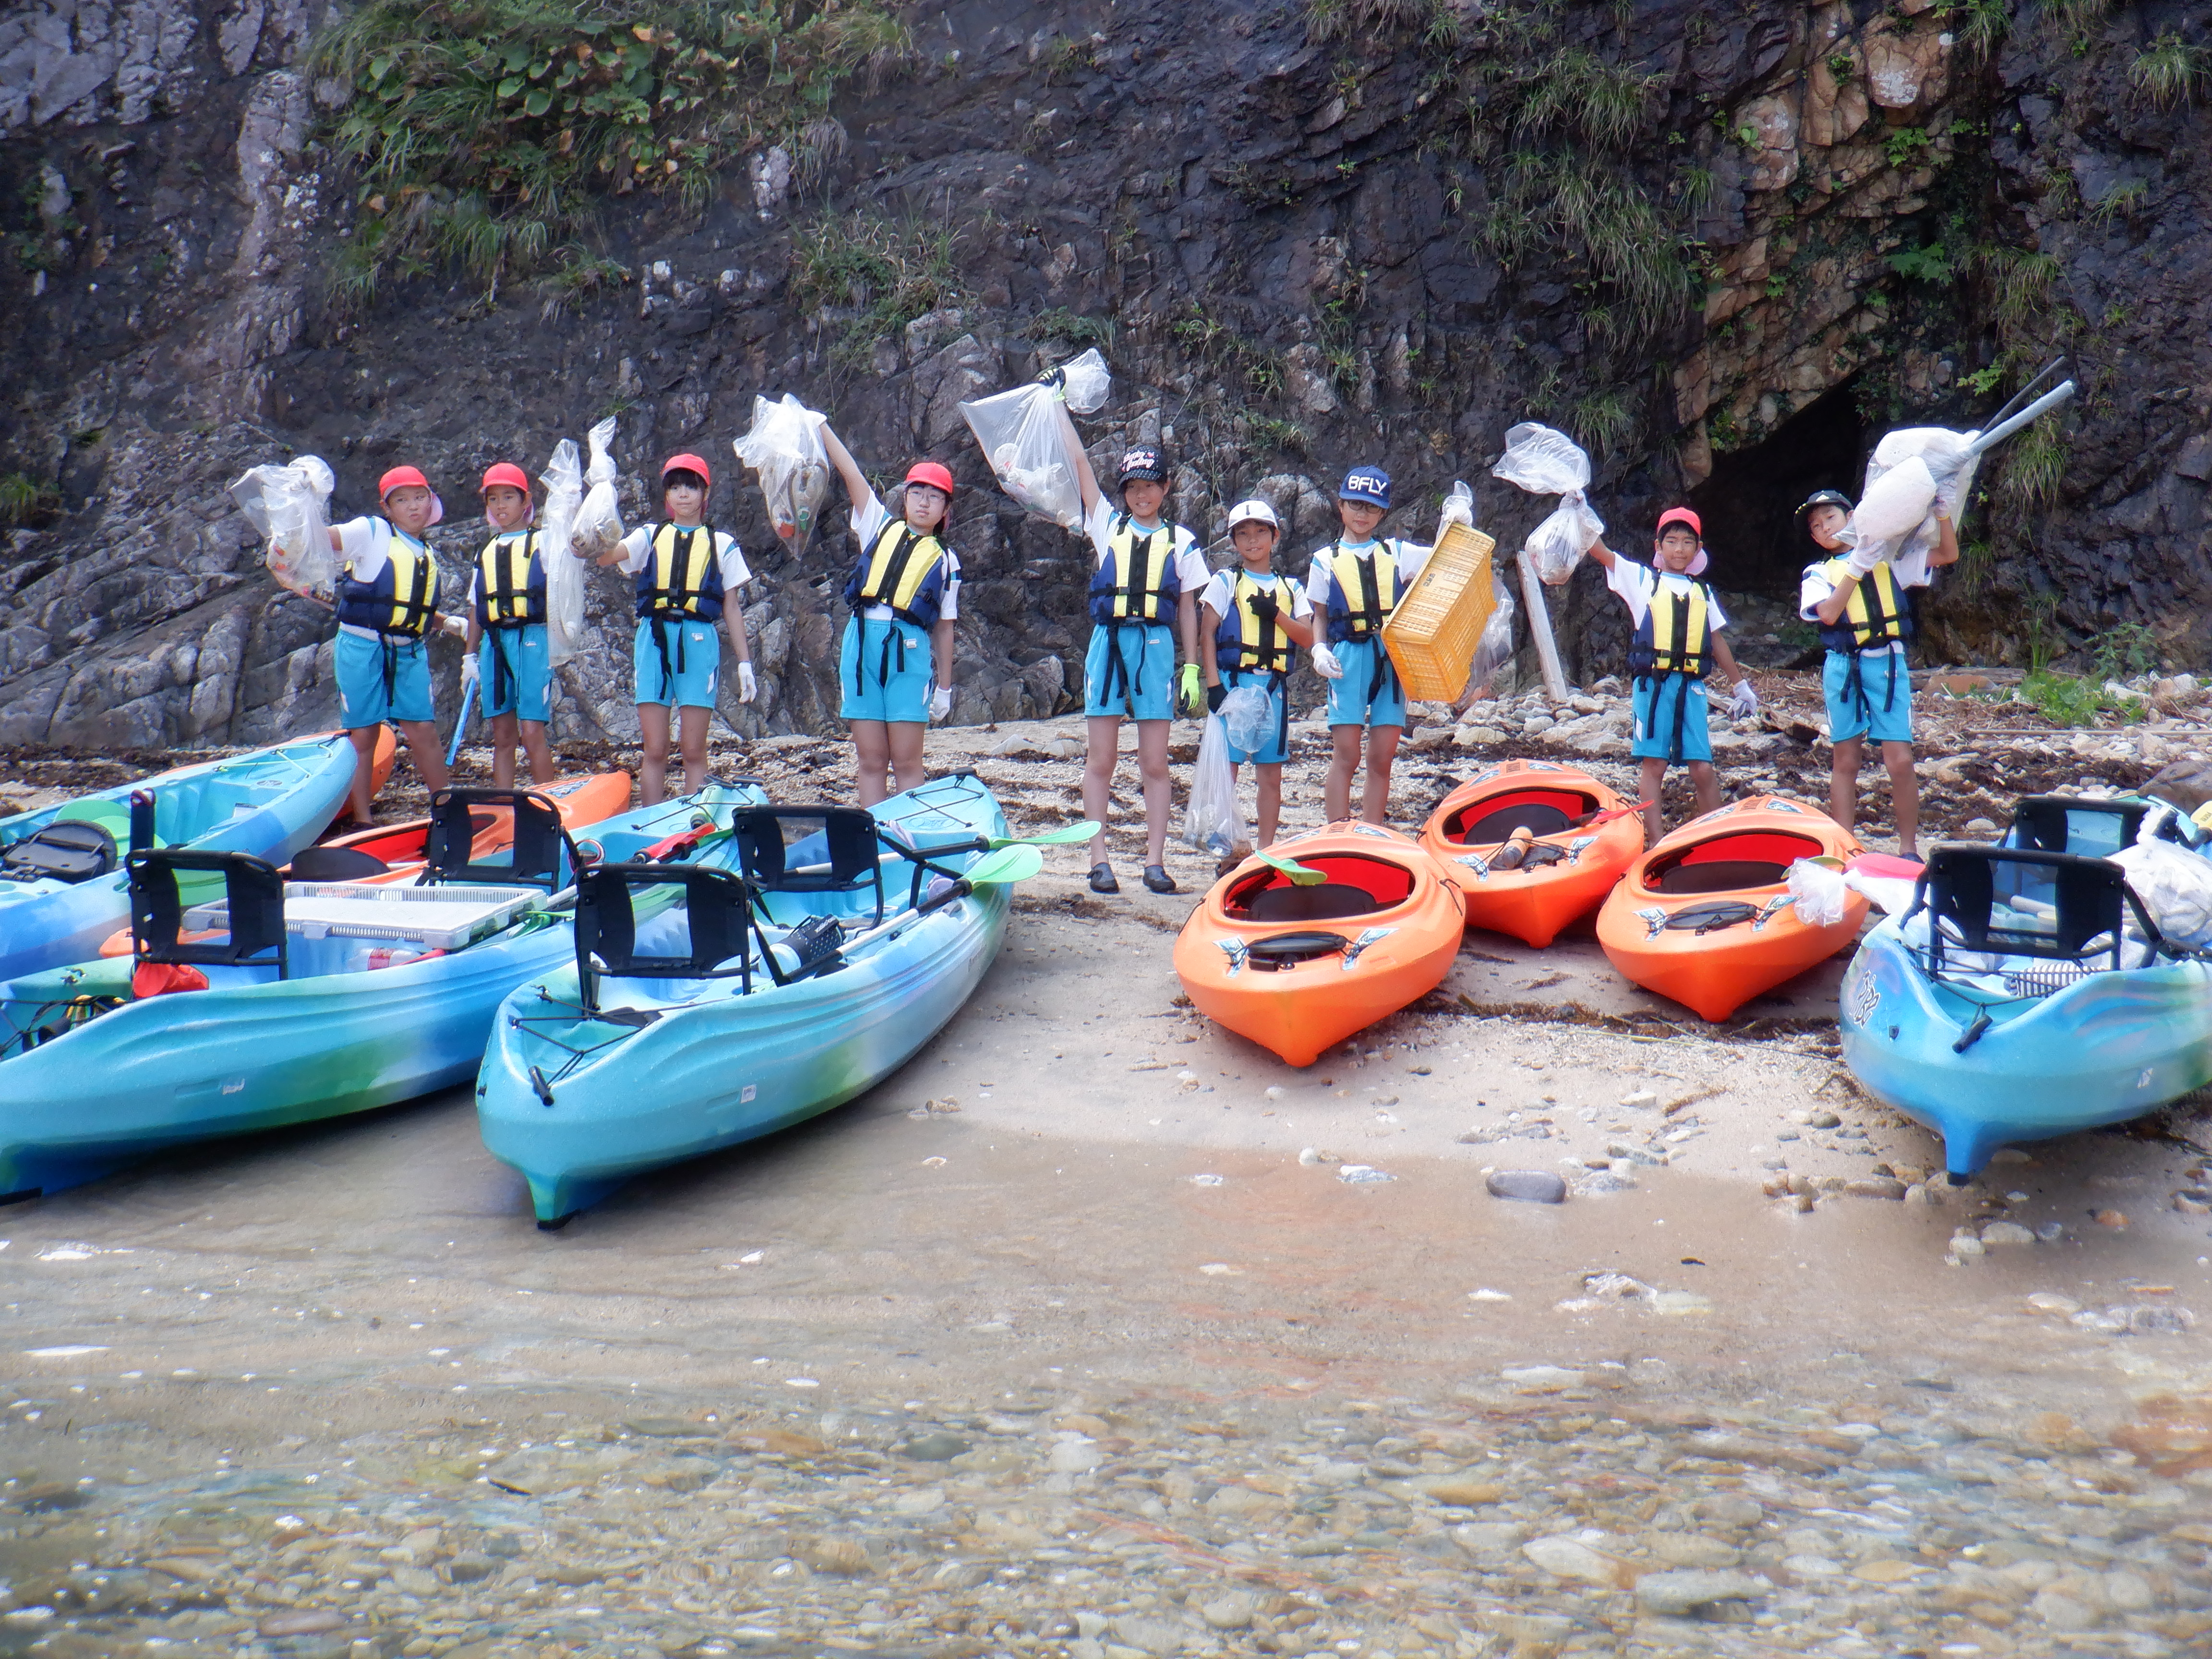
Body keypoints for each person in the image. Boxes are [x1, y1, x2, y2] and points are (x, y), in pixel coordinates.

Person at [1049, 392, 1208, 895]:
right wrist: (1057, 406)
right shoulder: (1107, 525)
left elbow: (1187, 606)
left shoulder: (1181, 541)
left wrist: (1191, 668)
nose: (1142, 495)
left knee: (1155, 762)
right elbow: (1078, 464)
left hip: (1157, 649)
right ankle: (1099, 861)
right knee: (1101, 760)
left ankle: (1155, 862)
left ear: (1165, 488)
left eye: (1151, 486)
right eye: (1133, 487)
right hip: (1109, 644)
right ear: (1124, 491)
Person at [1582, 506, 1758, 843]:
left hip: (1691, 688)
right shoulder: (1643, 580)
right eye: (1672, 541)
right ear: (1659, 546)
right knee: (1655, 765)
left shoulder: (1702, 592)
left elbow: (1716, 639)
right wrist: (1580, 512)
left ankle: (1715, 838)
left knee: (1703, 768)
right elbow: (1599, 551)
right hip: (1654, 687)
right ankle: (1656, 841)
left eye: (1687, 542)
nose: (1679, 549)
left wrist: (1741, 686)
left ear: (1698, 548)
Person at [1799, 488, 1958, 859]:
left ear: (1853, 518)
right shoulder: (1818, 573)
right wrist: (1856, 568)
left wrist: (1943, 515)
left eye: (1831, 519)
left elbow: (1948, 554)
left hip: (1887, 663)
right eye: (1816, 526)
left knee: (1900, 760)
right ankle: (1845, 849)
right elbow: (1828, 614)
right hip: (1843, 667)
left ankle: (1908, 849)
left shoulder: (1887, 562)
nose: (1825, 529)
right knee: (1847, 761)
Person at [1305, 467, 1468, 824]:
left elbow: (1444, 556)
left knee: (1382, 755)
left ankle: (1374, 831)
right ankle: (1337, 832)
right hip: (1346, 656)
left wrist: (1455, 522)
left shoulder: (1396, 552)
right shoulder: (1324, 559)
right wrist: (1319, 650)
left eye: (1371, 508)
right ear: (1341, 505)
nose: (1362, 514)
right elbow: (1317, 614)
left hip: (1392, 657)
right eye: (1355, 505)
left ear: (1383, 512)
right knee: (1346, 754)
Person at [590, 453, 755, 805]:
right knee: (655, 748)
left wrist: (745, 664)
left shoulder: (722, 544)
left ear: (704, 493)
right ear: (666, 496)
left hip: (699, 641)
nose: (683, 495)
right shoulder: (650, 536)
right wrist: (595, 519)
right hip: (653, 639)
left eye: (691, 487)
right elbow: (605, 556)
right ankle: (652, 820)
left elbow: (732, 607)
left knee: (694, 750)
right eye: (675, 487)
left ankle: (689, 825)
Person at [817, 421, 960, 806]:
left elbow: (945, 629)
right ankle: (874, 844)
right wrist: (821, 426)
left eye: (935, 497)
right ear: (905, 497)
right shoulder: (878, 525)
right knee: (871, 760)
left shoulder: (946, 560)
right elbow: (851, 474)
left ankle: (905, 843)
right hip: (862, 646)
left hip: (909, 652)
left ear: (946, 509)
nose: (925, 501)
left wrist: (944, 688)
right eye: (918, 492)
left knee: (908, 762)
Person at [322, 465, 463, 827]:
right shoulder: (370, 531)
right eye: (402, 500)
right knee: (365, 733)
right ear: (388, 507)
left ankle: (447, 813)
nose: (414, 507)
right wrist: (301, 508)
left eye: (420, 498)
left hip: (409, 649)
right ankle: (363, 820)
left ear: (431, 502)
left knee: (423, 731)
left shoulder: (424, 550)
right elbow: (323, 538)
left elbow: (407, 606)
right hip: (361, 645)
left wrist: (444, 621)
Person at [1199, 498, 1315, 865]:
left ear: (1275, 536)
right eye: (1243, 535)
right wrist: (1213, 686)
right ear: (1234, 542)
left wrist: (1277, 614)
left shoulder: (1291, 587)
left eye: (1260, 532)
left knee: (1270, 775)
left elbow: (1308, 637)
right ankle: (1227, 847)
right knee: (1228, 772)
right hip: (1234, 686)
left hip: (1272, 690)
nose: (1252, 541)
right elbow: (1207, 634)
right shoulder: (1225, 581)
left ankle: (1266, 849)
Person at [462, 461, 555, 789]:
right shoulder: (485, 551)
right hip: (495, 643)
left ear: (526, 500)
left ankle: (552, 805)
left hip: (533, 639)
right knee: (502, 736)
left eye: (508, 497)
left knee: (531, 732)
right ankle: (504, 806)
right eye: (493, 499)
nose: (500, 506)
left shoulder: (544, 542)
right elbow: (476, 606)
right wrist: (469, 657)